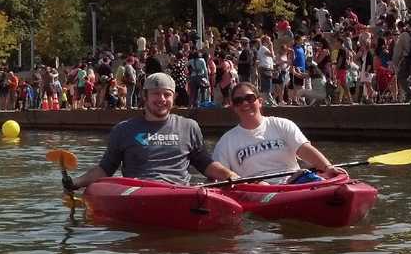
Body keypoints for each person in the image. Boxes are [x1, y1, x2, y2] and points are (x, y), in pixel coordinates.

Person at [62, 73, 239, 190]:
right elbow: (105, 169)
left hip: (179, 192)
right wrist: (75, 183)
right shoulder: (123, 130)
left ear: (173, 97)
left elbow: (205, 164)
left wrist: (230, 175)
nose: (161, 99)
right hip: (139, 192)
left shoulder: (189, 126)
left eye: (167, 94)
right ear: (144, 96)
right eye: (155, 94)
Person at [212, 82, 348, 183]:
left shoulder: (282, 124)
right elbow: (218, 174)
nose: (245, 103)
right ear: (234, 107)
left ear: (260, 101)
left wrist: (327, 167)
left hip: (293, 181)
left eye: (250, 98)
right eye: (238, 101)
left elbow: (304, 149)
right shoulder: (226, 141)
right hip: (256, 189)